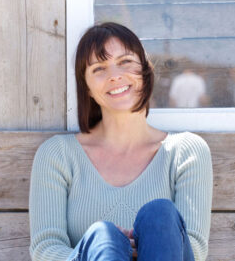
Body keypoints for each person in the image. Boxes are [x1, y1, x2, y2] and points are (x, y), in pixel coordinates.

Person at [29, 22, 213, 261]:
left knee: (160, 215)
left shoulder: (186, 153)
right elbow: (45, 248)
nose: (115, 76)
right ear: (86, 87)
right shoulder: (57, 155)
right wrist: (105, 249)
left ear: (145, 71)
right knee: (102, 236)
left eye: (125, 62)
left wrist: (141, 247)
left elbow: (195, 248)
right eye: (99, 69)